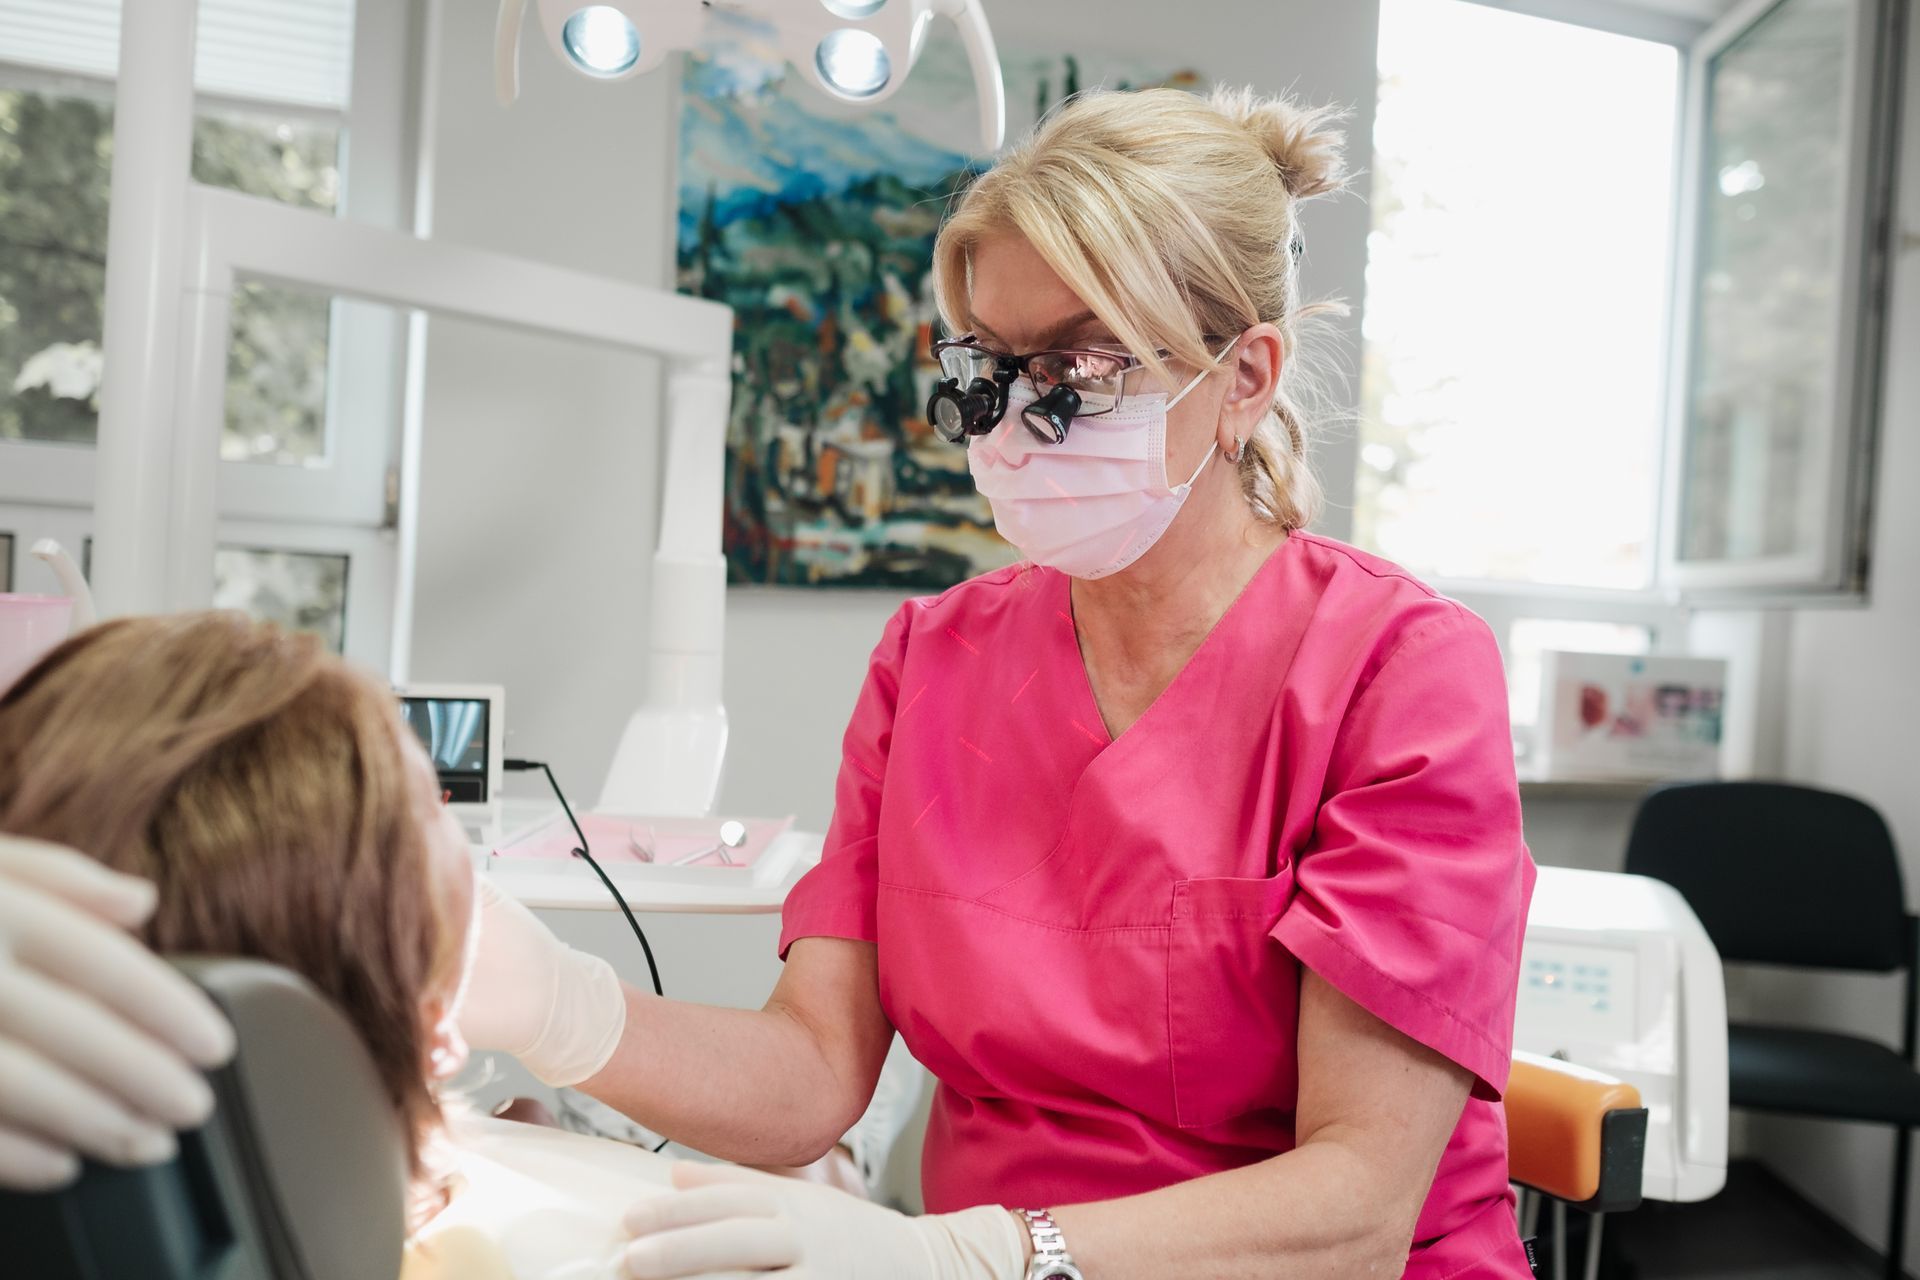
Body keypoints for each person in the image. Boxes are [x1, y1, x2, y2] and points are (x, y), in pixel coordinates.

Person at [455, 85, 1538, 1278]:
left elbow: (1358, 1205)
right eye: (991, 367)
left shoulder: (1397, 668)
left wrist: (980, 1254)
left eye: (1081, 365)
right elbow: (812, 1074)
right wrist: (557, 1003)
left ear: (1244, 377)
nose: (1023, 421)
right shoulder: (934, 659)